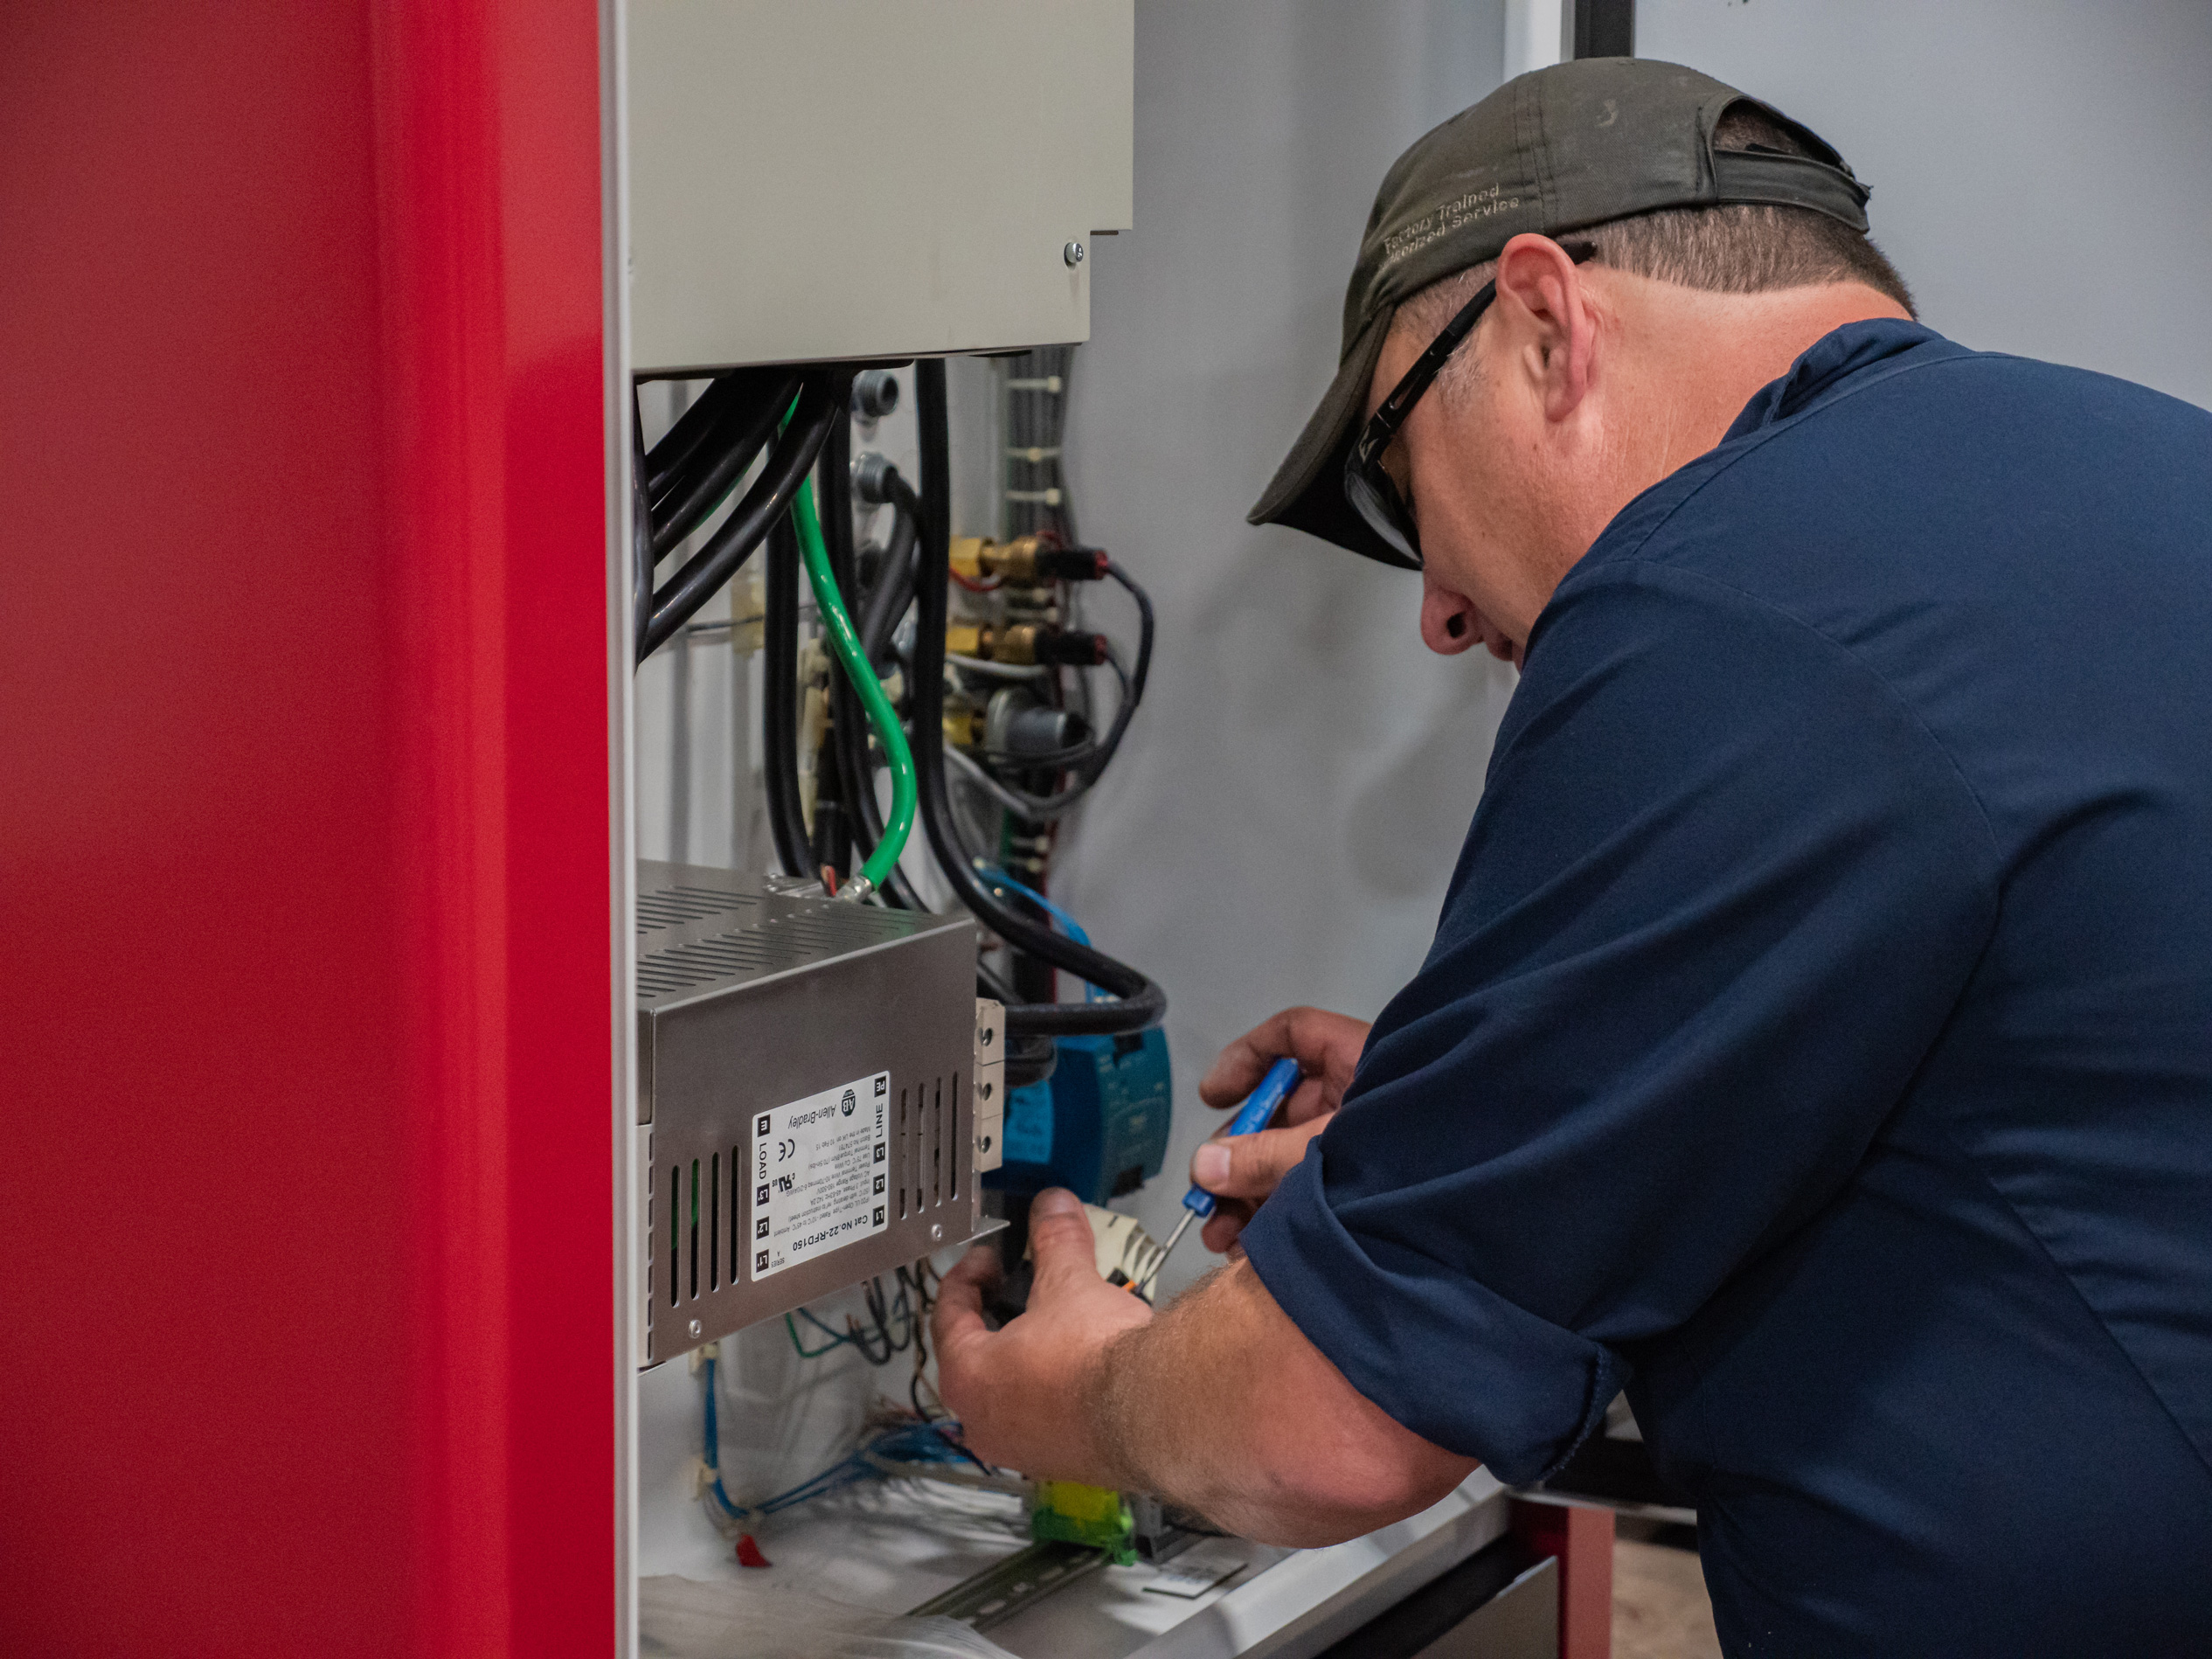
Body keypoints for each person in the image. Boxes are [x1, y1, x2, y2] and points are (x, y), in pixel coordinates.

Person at [934, 57, 2212, 1656]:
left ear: (1545, 325)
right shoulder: (2137, 471)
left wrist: (1067, 1393)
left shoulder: (1722, 597)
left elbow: (1330, 1427)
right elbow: (2019, 1107)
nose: (1441, 610)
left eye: (1403, 486)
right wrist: (1488, 1114)